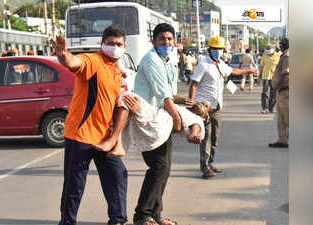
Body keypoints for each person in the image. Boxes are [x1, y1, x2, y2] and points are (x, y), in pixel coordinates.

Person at [52, 24, 129, 225]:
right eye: (110, 43)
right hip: (80, 136)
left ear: (125, 46)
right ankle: (67, 222)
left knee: (117, 174)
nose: (114, 47)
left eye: (118, 44)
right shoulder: (93, 61)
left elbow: (119, 106)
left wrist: (115, 139)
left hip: (103, 138)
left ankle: (118, 220)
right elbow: (74, 62)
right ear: (102, 44)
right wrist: (63, 55)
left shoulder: (118, 72)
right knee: (74, 186)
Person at [131, 23, 191, 225]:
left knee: (164, 168)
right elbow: (163, 94)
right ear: (154, 41)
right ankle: (142, 215)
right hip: (147, 119)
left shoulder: (168, 61)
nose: (166, 42)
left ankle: (154, 215)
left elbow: (170, 93)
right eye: (162, 39)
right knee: (158, 166)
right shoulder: (151, 59)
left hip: (161, 119)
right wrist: (177, 118)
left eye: (169, 39)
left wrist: (183, 102)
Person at [189, 36, 258, 179]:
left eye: (220, 49)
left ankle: (210, 162)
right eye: (215, 49)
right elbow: (194, 84)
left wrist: (248, 71)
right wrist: (192, 102)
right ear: (209, 49)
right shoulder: (203, 64)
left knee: (215, 137)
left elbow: (233, 71)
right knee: (206, 136)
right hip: (204, 107)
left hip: (217, 106)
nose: (218, 51)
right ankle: (205, 167)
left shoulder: (220, 64)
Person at [270, 38, 289, 148]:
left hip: (286, 90)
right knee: (281, 118)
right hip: (281, 91)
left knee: (288, 118)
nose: (279, 47)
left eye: (281, 45)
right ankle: (282, 140)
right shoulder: (284, 55)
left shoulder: (287, 56)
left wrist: (276, 87)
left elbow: (285, 74)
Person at [259, 45, 280, 114]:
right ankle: (264, 108)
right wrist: (259, 76)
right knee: (265, 92)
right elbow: (261, 67)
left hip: (275, 77)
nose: (269, 54)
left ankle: (271, 107)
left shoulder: (278, 56)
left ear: (273, 50)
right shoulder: (264, 56)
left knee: (273, 93)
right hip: (266, 77)